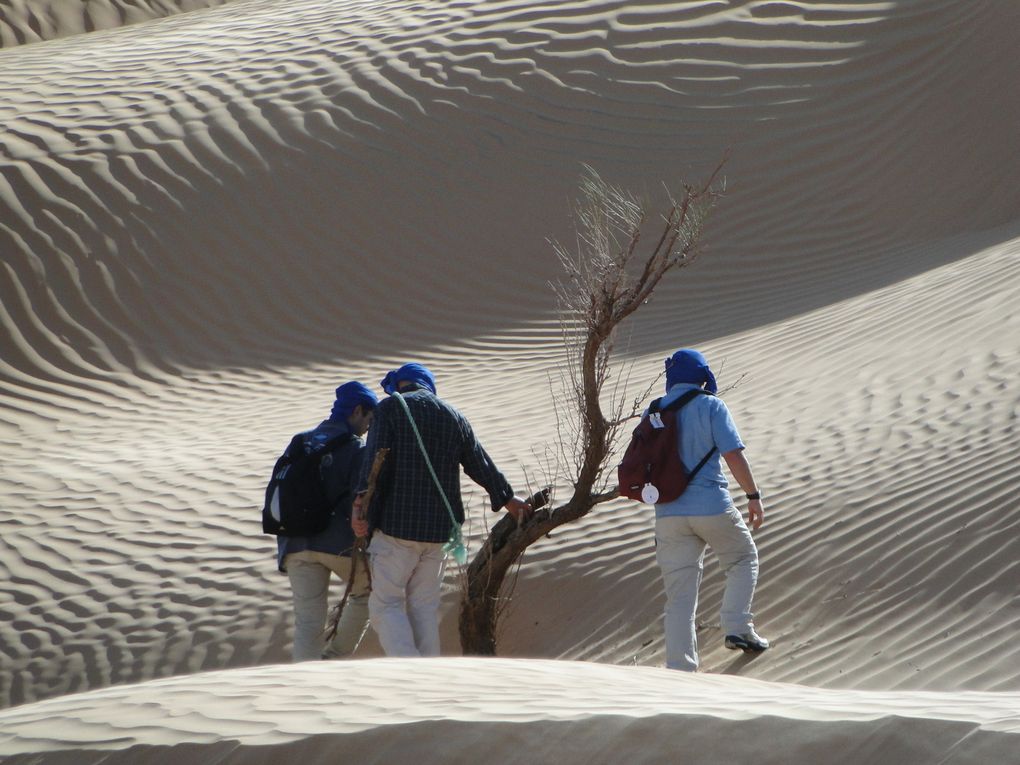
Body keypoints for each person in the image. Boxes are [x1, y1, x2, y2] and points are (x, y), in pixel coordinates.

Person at [351, 362, 531, 657]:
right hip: (440, 535)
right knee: (424, 609)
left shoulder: (390, 409)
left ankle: (410, 672)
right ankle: (430, 677)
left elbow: (373, 466)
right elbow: (480, 464)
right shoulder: (453, 417)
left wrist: (360, 508)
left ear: (401, 385)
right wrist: (508, 499)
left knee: (386, 605)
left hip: (396, 528)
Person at [652, 349, 768, 672]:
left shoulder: (655, 412)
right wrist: (753, 495)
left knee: (679, 598)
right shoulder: (711, 406)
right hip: (711, 506)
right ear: (702, 375)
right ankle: (737, 627)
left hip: (668, 515)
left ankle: (680, 668)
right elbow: (733, 456)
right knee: (743, 559)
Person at [277, 381, 378, 662]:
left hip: (295, 542)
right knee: (368, 594)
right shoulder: (357, 448)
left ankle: (303, 683)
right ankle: (333, 660)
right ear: (357, 410)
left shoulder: (299, 441)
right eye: (370, 417)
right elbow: (361, 497)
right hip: (338, 542)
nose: (370, 425)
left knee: (308, 623)